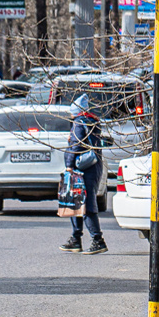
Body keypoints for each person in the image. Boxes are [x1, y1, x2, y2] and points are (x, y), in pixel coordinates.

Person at [60, 93, 107, 253]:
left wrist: (69, 165)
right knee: (77, 203)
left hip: (82, 169)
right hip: (92, 168)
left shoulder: (80, 123)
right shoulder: (92, 122)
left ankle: (97, 239)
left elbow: (76, 144)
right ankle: (76, 238)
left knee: (84, 204)